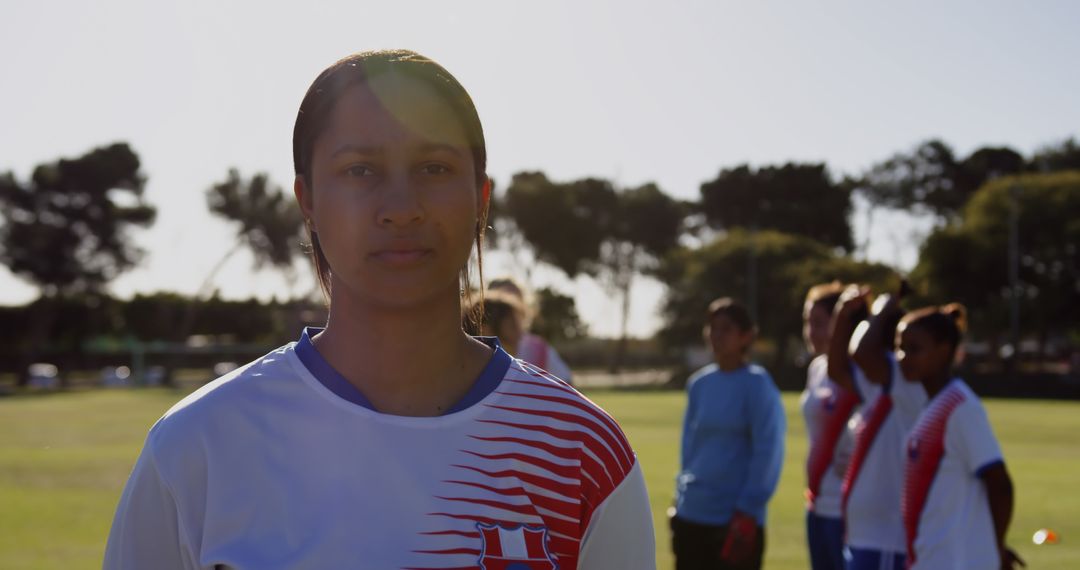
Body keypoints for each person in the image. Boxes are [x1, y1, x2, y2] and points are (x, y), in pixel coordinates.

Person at [104, 50, 655, 570]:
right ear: (309, 202)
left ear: (481, 198)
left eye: (434, 168)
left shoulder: (580, 451)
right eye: (360, 170)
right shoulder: (197, 444)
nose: (401, 208)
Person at [898, 305, 1022, 569]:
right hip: (930, 558)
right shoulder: (932, 405)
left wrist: (995, 547)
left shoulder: (960, 407)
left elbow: (1000, 483)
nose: (903, 357)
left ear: (944, 351)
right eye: (901, 347)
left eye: (914, 349)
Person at [671, 297, 785, 570]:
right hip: (692, 513)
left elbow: (768, 452)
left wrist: (748, 509)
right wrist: (680, 497)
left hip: (735, 520)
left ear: (745, 336)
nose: (717, 335)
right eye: (713, 328)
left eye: (726, 329)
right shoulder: (698, 384)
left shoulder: (758, 385)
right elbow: (690, 446)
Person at [827, 285, 925, 570]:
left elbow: (860, 352)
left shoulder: (906, 381)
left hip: (887, 537)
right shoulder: (879, 384)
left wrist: (884, 307)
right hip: (865, 535)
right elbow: (837, 369)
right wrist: (844, 316)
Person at [799, 282, 857, 570]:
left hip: (846, 510)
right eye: (808, 323)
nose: (812, 332)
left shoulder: (858, 372)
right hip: (816, 503)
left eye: (820, 323)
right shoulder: (817, 369)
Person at [488, 277, 574, 384]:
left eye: (517, 300)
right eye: (504, 302)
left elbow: (566, 384)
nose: (513, 309)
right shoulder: (476, 348)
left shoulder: (538, 349)